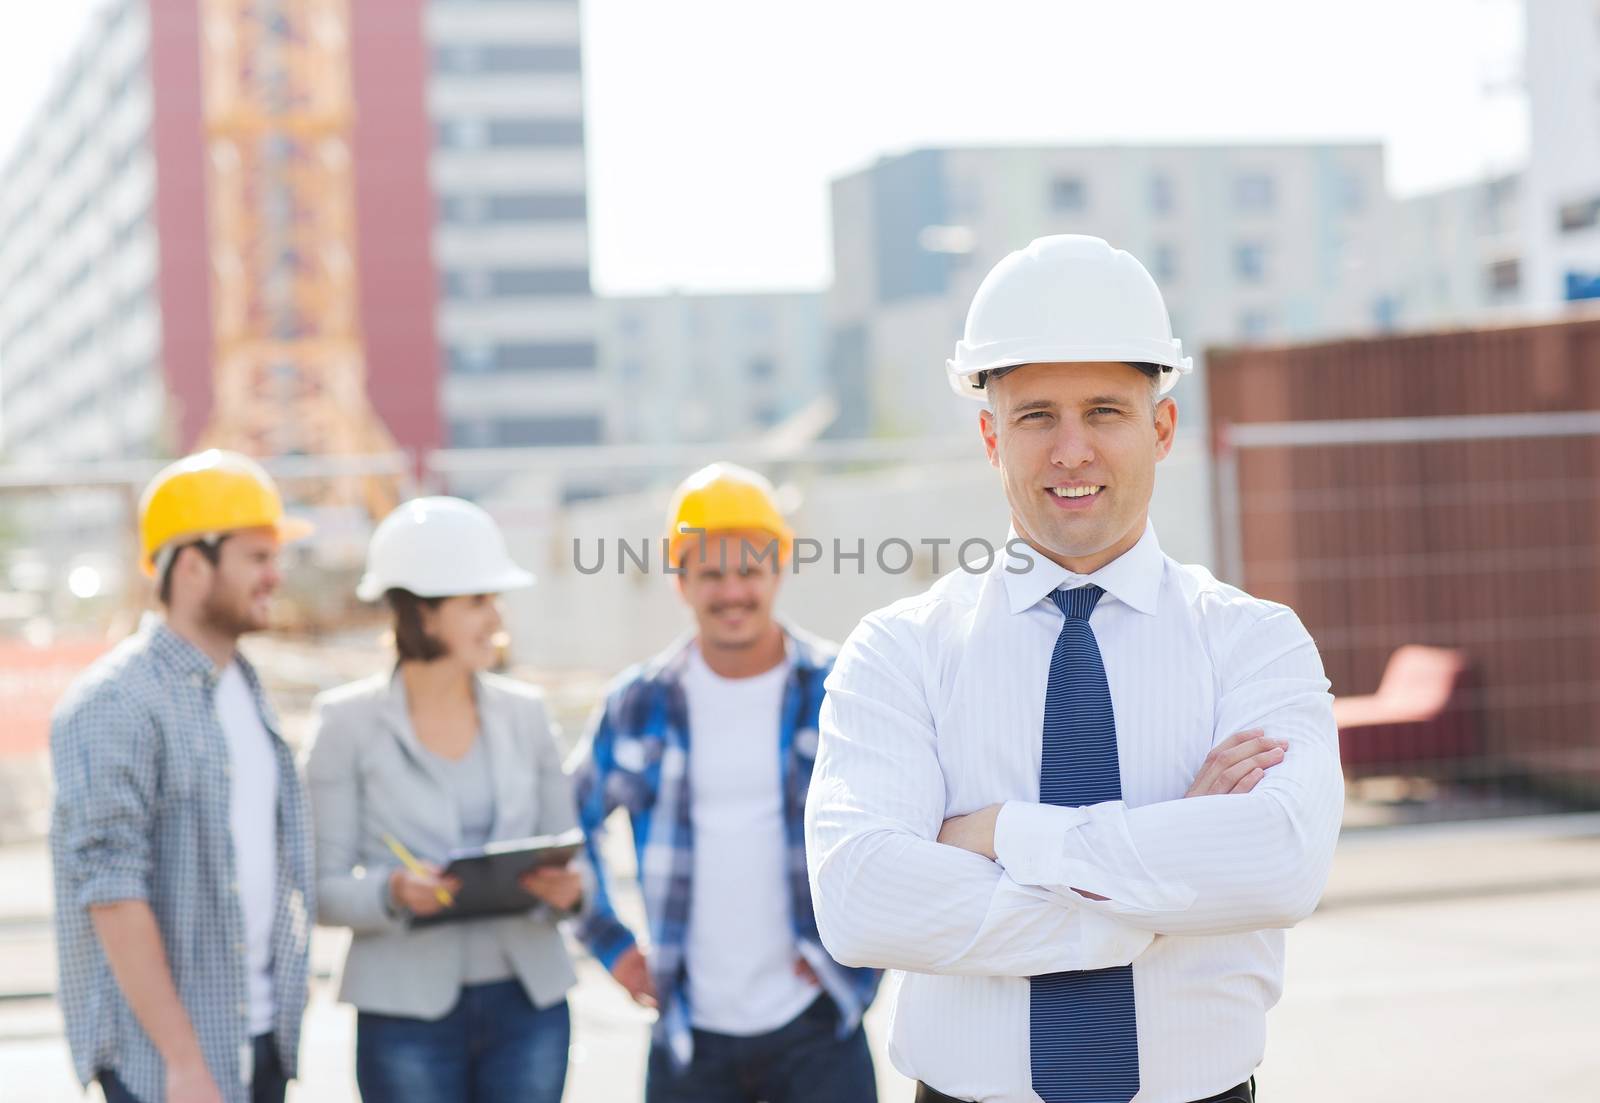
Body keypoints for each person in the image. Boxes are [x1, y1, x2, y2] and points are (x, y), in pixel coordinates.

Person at [805, 235, 1345, 1103]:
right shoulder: (898, 651)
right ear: (990, 436)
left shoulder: (1255, 641)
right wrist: (1159, 883)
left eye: (1104, 411)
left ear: (1160, 427)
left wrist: (1003, 835)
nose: (1071, 451)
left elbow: (1280, 860)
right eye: (1035, 416)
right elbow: (862, 897)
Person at [572, 463, 881, 1103]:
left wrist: (862, 955)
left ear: (778, 571)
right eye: (711, 574)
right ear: (680, 581)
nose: (733, 592)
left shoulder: (840, 689)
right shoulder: (638, 702)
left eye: (749, 571)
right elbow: (568, 824)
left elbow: (901, 824)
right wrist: (612, 946)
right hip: (691, 1035)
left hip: (818, 1025)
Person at [50, 450, 317, 1103]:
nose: (274, 576)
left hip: (256, 1040)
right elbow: (111, 890)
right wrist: (183, 1061)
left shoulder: (244, 689)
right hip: (168, 1067)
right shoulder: (115, 701)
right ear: (193, 564)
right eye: (257, 558)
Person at [305, 497, 582, 1103]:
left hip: (528, 1004)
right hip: (404, 1013)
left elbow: (573, 856)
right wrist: (391, 892)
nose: (496, 616)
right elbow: (319, 887)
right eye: (478, 600)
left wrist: (572, 889)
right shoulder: (344, 725)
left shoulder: (527, 715)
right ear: (423, 614)